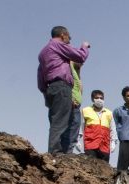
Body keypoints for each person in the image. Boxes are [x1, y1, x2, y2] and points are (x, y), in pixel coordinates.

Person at [37, 26, 90, 155]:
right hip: (62, 86)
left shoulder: (43, 52)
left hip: (51, 88)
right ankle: (55, 151)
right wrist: (84, 46)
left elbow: (40, 75)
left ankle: (62, 151)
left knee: (60, 119)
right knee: (60, 121)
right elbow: (80, 56)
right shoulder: (57, 45)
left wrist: (45, 94)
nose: (69, 39)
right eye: (68, 36)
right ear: (62, 35)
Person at [81, 90, 116, 161]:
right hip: (90, 144)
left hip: (104, 145)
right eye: (97, 98)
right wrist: (78, 140)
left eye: (101, 98)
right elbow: (80, 127)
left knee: (104, 168)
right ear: (92, 99)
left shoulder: (109, 113)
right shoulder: (85, 111)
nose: (99, 100)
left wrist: (113, 141)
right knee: (90, 167)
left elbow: (113, 128)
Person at [66, 62, 83, 153]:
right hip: (70, 103)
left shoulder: (77, 71)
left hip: (77, 104)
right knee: (68, 127)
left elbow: (79, 86)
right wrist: (71, 98)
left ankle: (69, 150)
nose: (82, 63)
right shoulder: (69, 68)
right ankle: (66, 151)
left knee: (75, 126)